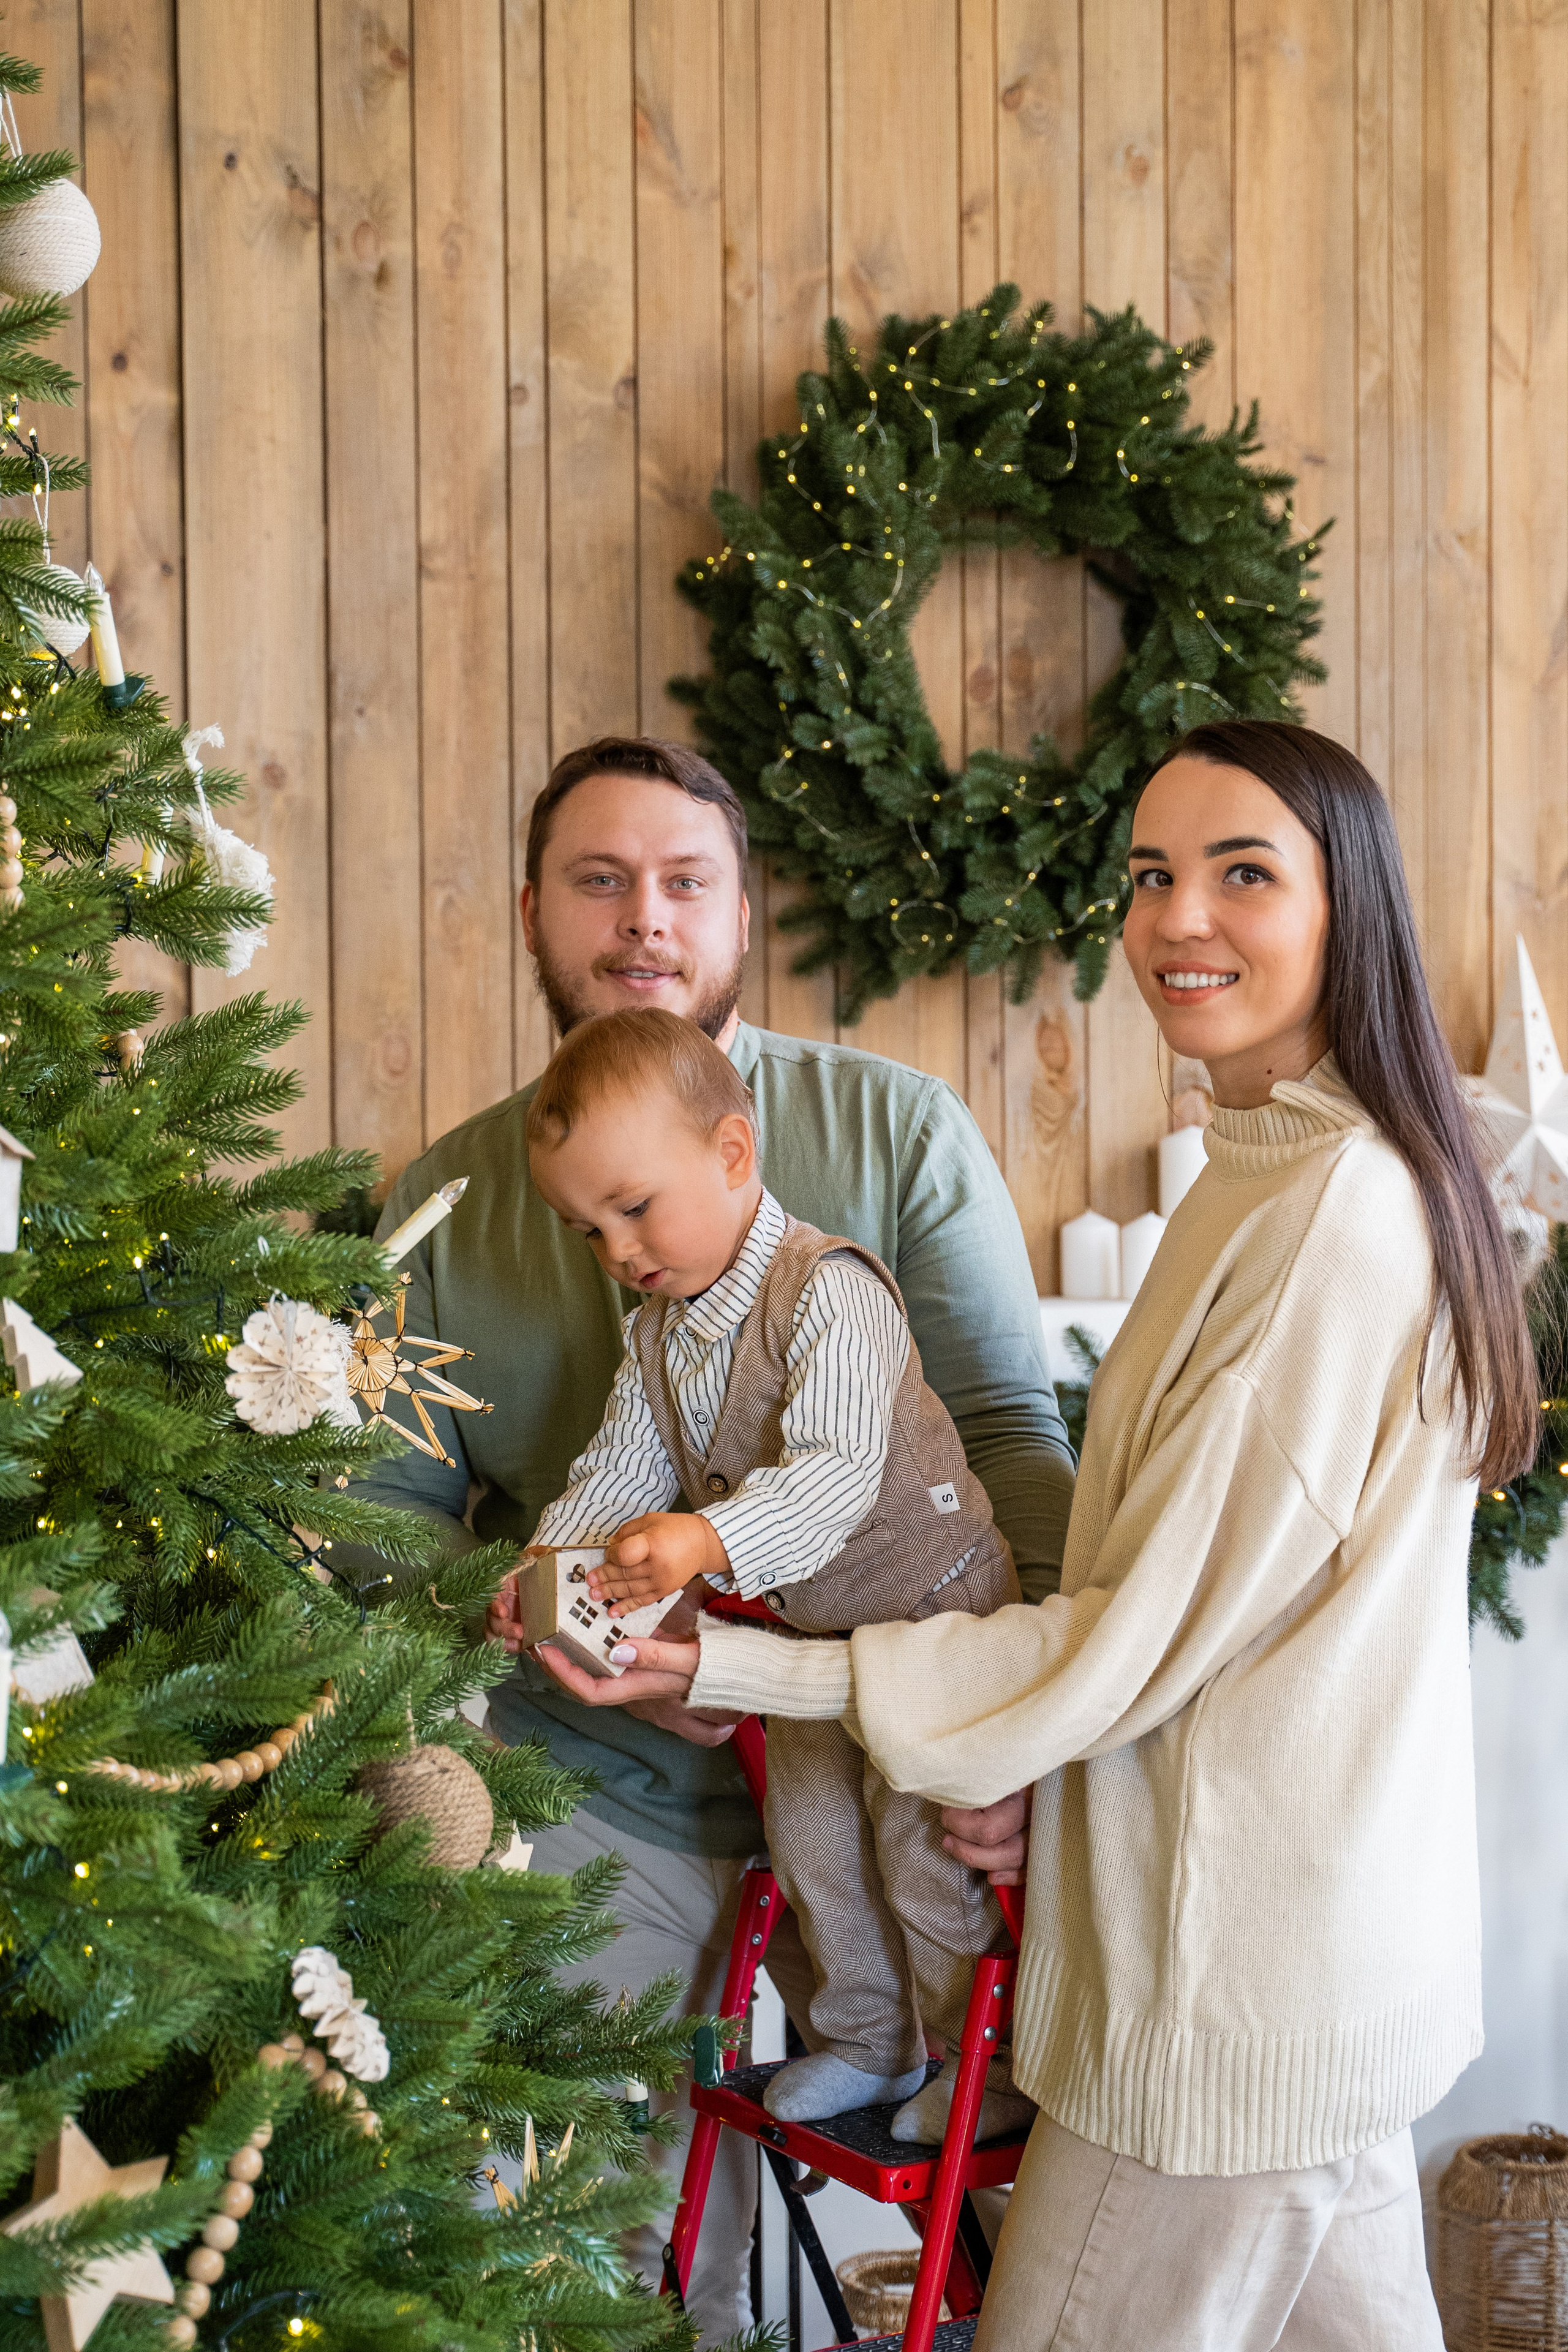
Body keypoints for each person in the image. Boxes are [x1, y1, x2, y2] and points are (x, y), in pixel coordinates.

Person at [542, 720, 1534, 2351]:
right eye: (1150, 875)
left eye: (1241, 873)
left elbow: (1132, 1634)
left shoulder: (1334, 1221)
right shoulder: (1263, 1175)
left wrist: (738, 1668)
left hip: (1214, 1997)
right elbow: (1179, 1616)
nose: (1177, 919)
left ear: (1346, 905)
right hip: (1303, 1980)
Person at [347, 736, 1075, 2338]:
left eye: (687, 882)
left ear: (743, 914)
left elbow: (1013, 1446)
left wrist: (1028, 1741)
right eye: (600, 881)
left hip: (907, 1716)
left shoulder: (893, 1136)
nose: (645, 920)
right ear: (532, 912)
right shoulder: (454, 1198)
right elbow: (381, 1514)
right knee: (602, 2231)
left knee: (1033, 2201)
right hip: (608, 1787)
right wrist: (540, 1604)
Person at [517, 1006, 1031, 2142]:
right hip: (806, 1644)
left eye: (634, 1208)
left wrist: (702, 1544)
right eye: (588, 1230)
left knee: (924, 1850)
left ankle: (980, 2061)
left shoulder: (829, 1290)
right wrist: (552, 1567)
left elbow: (836, 1476)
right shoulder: (658, 1336)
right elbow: (620, 1468)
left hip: (930, 1613)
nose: (618, 1252)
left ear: (733, 1152)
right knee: (814, 1844)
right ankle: (868, 2043)